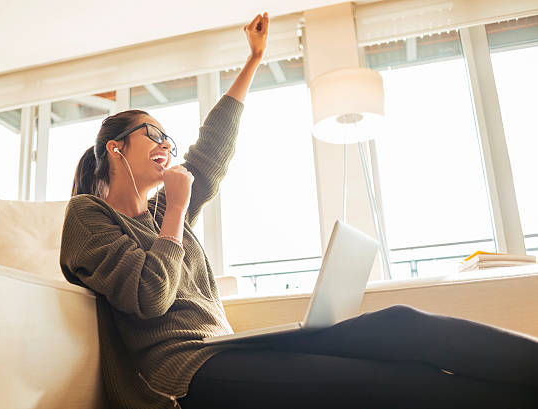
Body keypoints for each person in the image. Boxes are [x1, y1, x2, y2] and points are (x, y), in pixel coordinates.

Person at [59, 12, 538, 409]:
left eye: (169, 137)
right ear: (116, 148)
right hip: (184, 375)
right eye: (153, 134)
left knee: (402, 324)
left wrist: (253, 60)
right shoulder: (90, 216)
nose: (167, 144)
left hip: (225, 349)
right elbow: (150, 298)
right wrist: (178, 211)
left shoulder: (165, 207)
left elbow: (212, 150)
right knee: (396, 383)